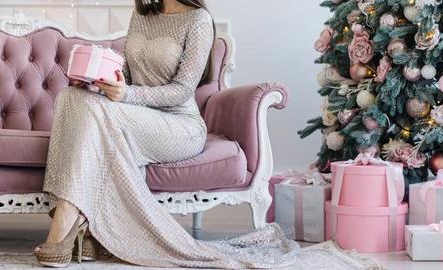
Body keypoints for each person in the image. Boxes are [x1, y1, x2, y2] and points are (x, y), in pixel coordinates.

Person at [33, 0, 299, 268]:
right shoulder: (142, 14)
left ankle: (69, 216)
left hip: (179, 125)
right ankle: (83, 226)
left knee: (95, 114)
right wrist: (96, 82)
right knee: (71, 97)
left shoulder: (198, 20)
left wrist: (127, 94)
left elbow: (182, 90)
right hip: (135, 116)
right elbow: (125, 74)